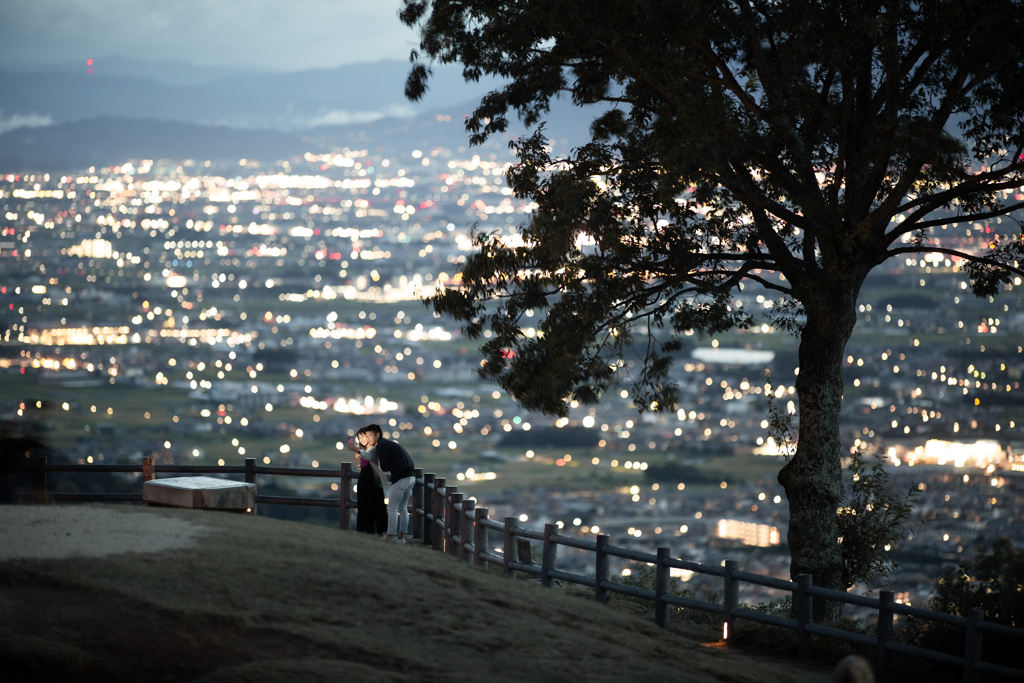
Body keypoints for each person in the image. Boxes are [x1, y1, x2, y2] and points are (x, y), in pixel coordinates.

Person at [360, 423, 416, 542]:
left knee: (392, 507)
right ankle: (402, 536)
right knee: (403, 507)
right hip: (411, 477)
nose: (368, 439)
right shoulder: (388, 443)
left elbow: (385, 467)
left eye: (370, 436)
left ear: (378, 435)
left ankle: (390, 535)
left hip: (401, 478)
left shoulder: (381, 445)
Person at [347, 427, 387, 536]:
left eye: (363, 437)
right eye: (359, 438)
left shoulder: (373, 449)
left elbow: (368, 456)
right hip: (364, 480)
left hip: (373, 481)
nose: (361, 439)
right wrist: (356, 456)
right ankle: (364, 531)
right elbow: (360, 466)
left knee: (376, 506)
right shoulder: (363, 450)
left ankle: (382, 532)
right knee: (363, 506)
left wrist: (356, 450)